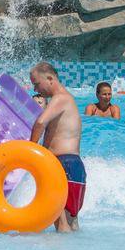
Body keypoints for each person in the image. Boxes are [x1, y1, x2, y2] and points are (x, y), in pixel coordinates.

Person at [30, 62, 85, 233]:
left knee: (62, 225)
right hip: (73, 165)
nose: (35, 89)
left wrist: (31, 149)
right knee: (71, 223)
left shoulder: (60, 98)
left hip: (63, 164)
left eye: (36, 84)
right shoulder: (66, 99)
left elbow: (40, 123)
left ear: (50, 78)